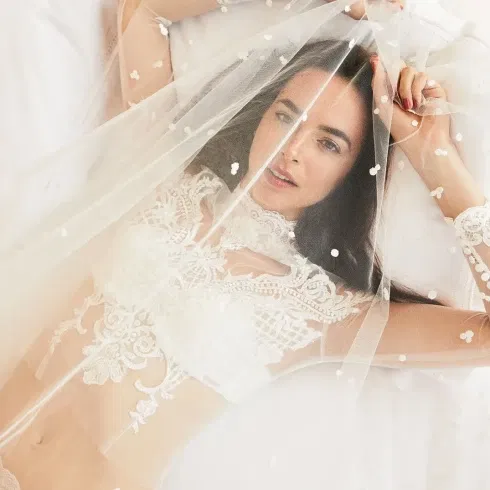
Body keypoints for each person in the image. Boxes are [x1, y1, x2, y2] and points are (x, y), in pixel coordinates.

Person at [0, 2, 489, 489]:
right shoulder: (168, 168)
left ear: (353, 173)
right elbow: (142, 13)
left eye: (328, 143)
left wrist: (435, 156)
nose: (291, 150)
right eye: (286, 117)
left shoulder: (322, 310)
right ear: (261, 115)